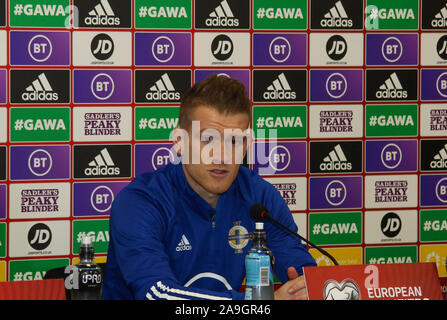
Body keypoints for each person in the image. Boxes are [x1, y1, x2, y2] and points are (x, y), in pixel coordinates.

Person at [102, 75, 317, 300]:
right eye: (208, 140)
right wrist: (258, 304)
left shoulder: (260, 197)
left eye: (234, 141)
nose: (222, 156)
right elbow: (157, 294)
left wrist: (309, 287)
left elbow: (302, 273)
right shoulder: (141, 201)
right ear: (180, 142)